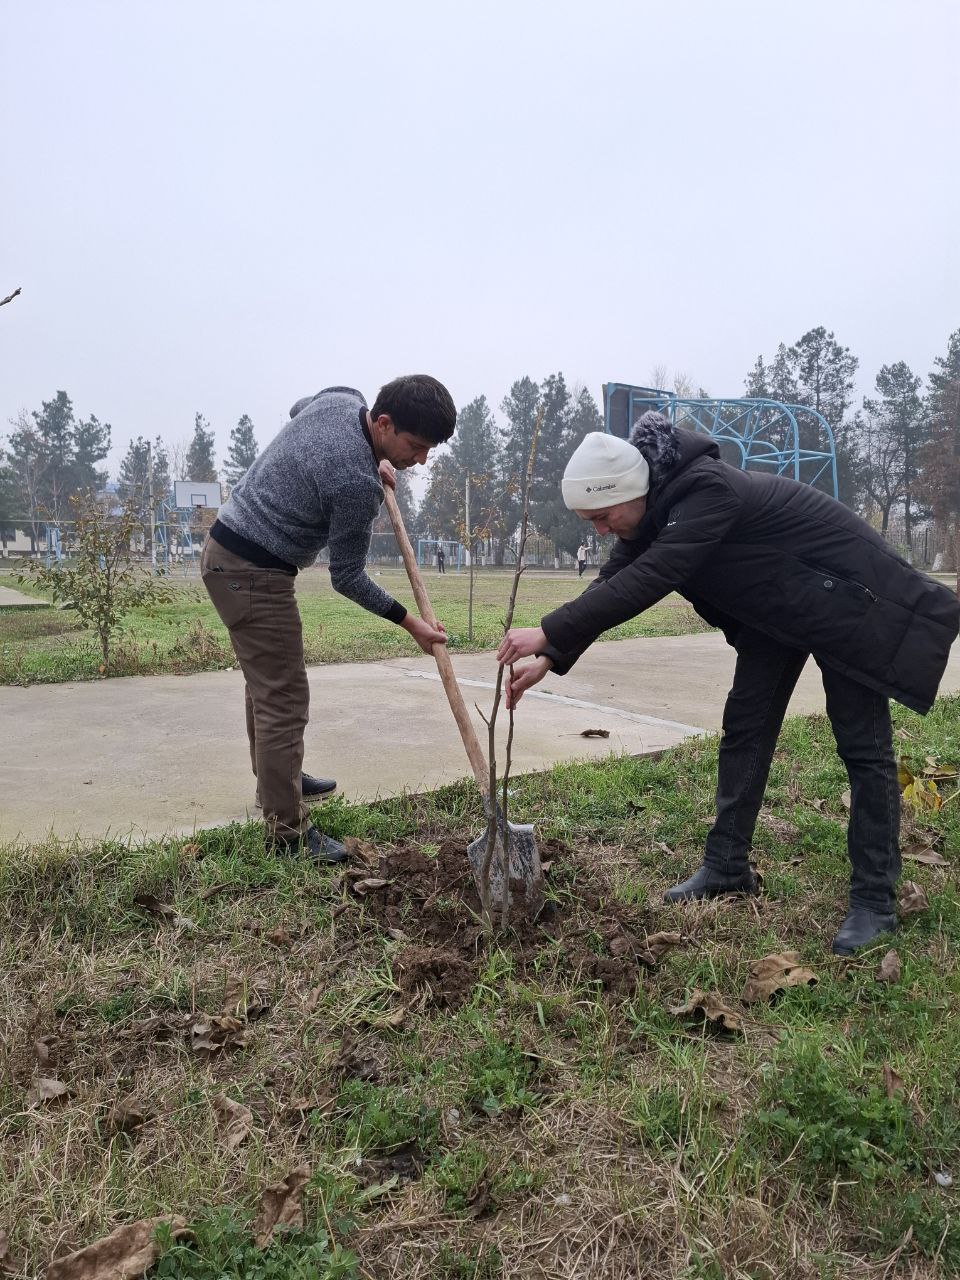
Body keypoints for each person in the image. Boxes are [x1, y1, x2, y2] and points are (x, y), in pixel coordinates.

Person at [497, 414, 959, 955]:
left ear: (629, 490)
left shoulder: (706, 492)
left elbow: (652, 577)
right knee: (745, 726)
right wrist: (553, 654)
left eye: (601, 516)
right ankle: (726, 866)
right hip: (781, 610)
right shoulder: (651, 511)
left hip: (848, 602)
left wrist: (548, 629)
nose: (598, 530)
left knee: (864, 749)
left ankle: (875, 900)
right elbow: (615, 579)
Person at [202, 376, 455, 863]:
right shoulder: (356, 484)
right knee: (284, 696)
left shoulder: (344, 400)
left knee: (267, 686)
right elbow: (347, 577)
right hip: (251, 571)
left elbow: (302, 409)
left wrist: (369, 456)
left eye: (429, 451)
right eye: (416, 446)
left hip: (229, 548)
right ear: (383, 423)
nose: (421, 460)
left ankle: (280, 780)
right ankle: (288, 834)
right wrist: (412, 624)